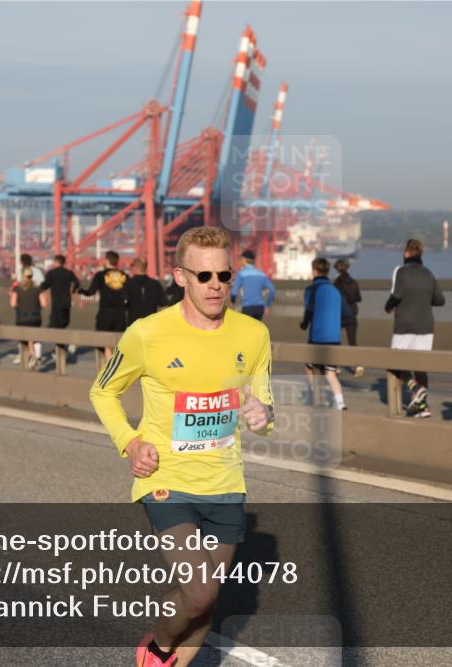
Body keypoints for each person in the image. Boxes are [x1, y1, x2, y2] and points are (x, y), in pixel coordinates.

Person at [89, 226, 274, 667]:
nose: (215, 286)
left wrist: (262, 415)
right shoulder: (147, 333)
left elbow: (263, 408)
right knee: (201, 590)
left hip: (225, 482)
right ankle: (156, 648)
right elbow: (102, 391)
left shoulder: (253, 335)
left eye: (223, 276)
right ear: (180, 276)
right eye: (203, 276)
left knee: (205, 605)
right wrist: (131, 442)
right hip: (166, 479)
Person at [384, 239, 445, 418]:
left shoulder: (401, 271)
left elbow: (396, 294)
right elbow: (440, 300)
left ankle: (416, 388)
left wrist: (388, 307)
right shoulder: (428, 273)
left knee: (394, 363)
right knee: (421, 367)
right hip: (426, 326)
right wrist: (424, 298)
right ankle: (422, 407)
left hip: (405, 325)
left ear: (406, 253)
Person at [301, 257, 349, 411]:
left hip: (317, 338)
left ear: (314, 271)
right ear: (327, 271)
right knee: (330, 373)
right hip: (334, 338)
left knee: (309, 366)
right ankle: (340, 403)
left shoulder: (311, 289)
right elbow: (347, 313)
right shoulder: (336, 290)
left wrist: (304, 324)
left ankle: (315, 394)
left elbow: (309, 310)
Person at [79, 250, 129, 359]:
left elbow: (91, 292)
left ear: (106, 261)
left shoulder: (100, 275)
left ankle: (108, 364)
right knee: (119, 343)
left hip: (105, 313)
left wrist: (81, 290)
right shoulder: (124, 275)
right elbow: (129, 295)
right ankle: (116, 364)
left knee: (104, 343)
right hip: (120, 314)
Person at [39, 254, 82, 360]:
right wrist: (73, 290)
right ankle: (61, 349)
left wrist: (36, 289)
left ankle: (66, 345)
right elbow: (77, 283)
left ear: (56, 262)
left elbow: (44, 286)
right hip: (66, 303)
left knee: (53, 326)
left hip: (56, 304)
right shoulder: (69, 273)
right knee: (62, 325)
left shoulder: (51, 273)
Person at [11, 267, 47, 370]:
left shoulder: (17, 289)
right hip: (35, 318)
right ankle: (33, 356)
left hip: (22, 318)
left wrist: (21, 306)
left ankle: (31, 357)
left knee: (25, 340)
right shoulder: (37, 289)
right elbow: (44, 303)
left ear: (23, 276)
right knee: (32, 339)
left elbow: (13, 303)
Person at [333, 258, 363, 377]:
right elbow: (359, 298)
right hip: (352, 315)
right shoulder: (354, 282)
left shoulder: (336, 284)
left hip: (340, 315)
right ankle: (358, 365)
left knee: (336, 340)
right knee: (352, 341)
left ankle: (335, 367)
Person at [230, 249, 276, 320]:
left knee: (247, 327)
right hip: (259, 307)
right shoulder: (261, 274)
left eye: (241, 259)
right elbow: (272, 290)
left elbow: (234, 291)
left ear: (244, 260)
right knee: (257, 326)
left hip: (247, 307)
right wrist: (267, 305)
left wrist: (232, 301)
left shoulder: (241, 274)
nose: (240, 261)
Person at [124, 257, 168, 325]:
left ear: (134, 267)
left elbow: (124, 303)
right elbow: (163, 303)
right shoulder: (155, 284)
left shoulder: (128, 284)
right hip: (150, 323)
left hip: (134, 324)